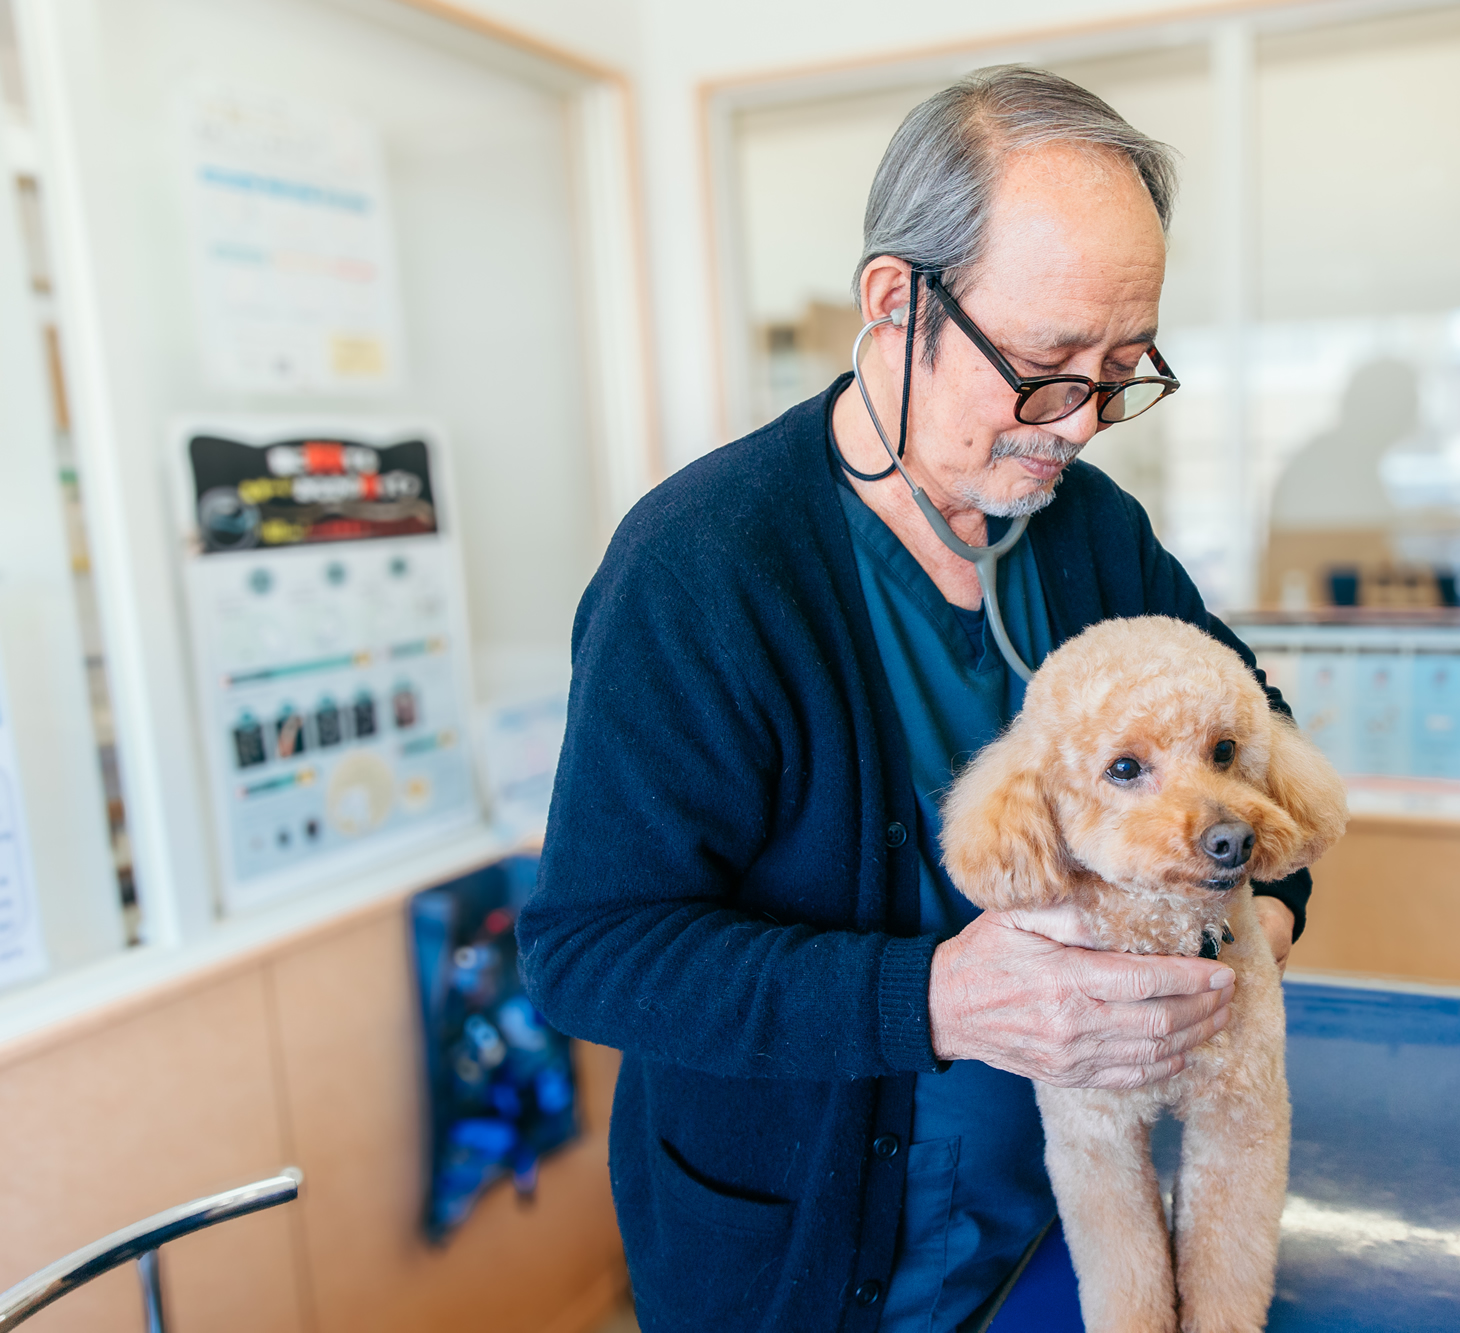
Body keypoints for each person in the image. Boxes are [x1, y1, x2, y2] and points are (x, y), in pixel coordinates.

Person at [517, 65, 1315, 1333]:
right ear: (896, 300)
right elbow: (589, 953)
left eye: (1121, 369)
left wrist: (1247, 933)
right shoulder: (703, 568)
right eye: (1046, 363)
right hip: (804, 1254)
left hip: (1061, 1244)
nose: (1081, 423)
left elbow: (1255, 749)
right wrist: (937, 997)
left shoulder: (1089, 532)